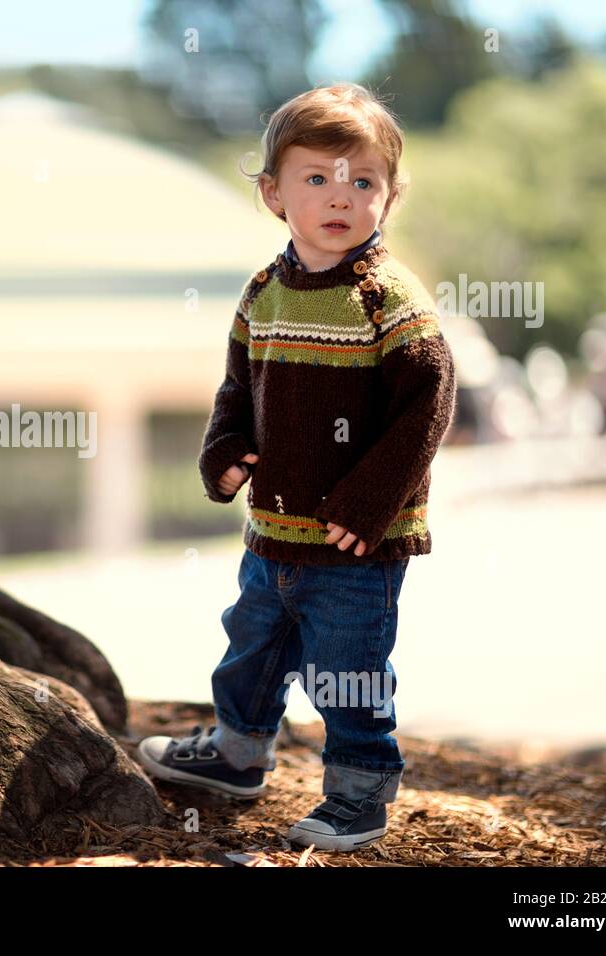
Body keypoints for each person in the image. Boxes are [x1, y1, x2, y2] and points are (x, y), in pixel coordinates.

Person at [135, 83, 457, 853]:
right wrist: (222, 453)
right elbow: (238, 387)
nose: (339, 196)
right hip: (272, 533)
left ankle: (359, 792)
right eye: (317, 178)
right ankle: (238, 751)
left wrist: (371, 501)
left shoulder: (388, 297)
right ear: (274, 194)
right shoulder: (264, 291)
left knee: (349, 673)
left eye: (362, 181)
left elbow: (430, 402)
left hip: (356, 544)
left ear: (389, 195)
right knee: (251, 645)